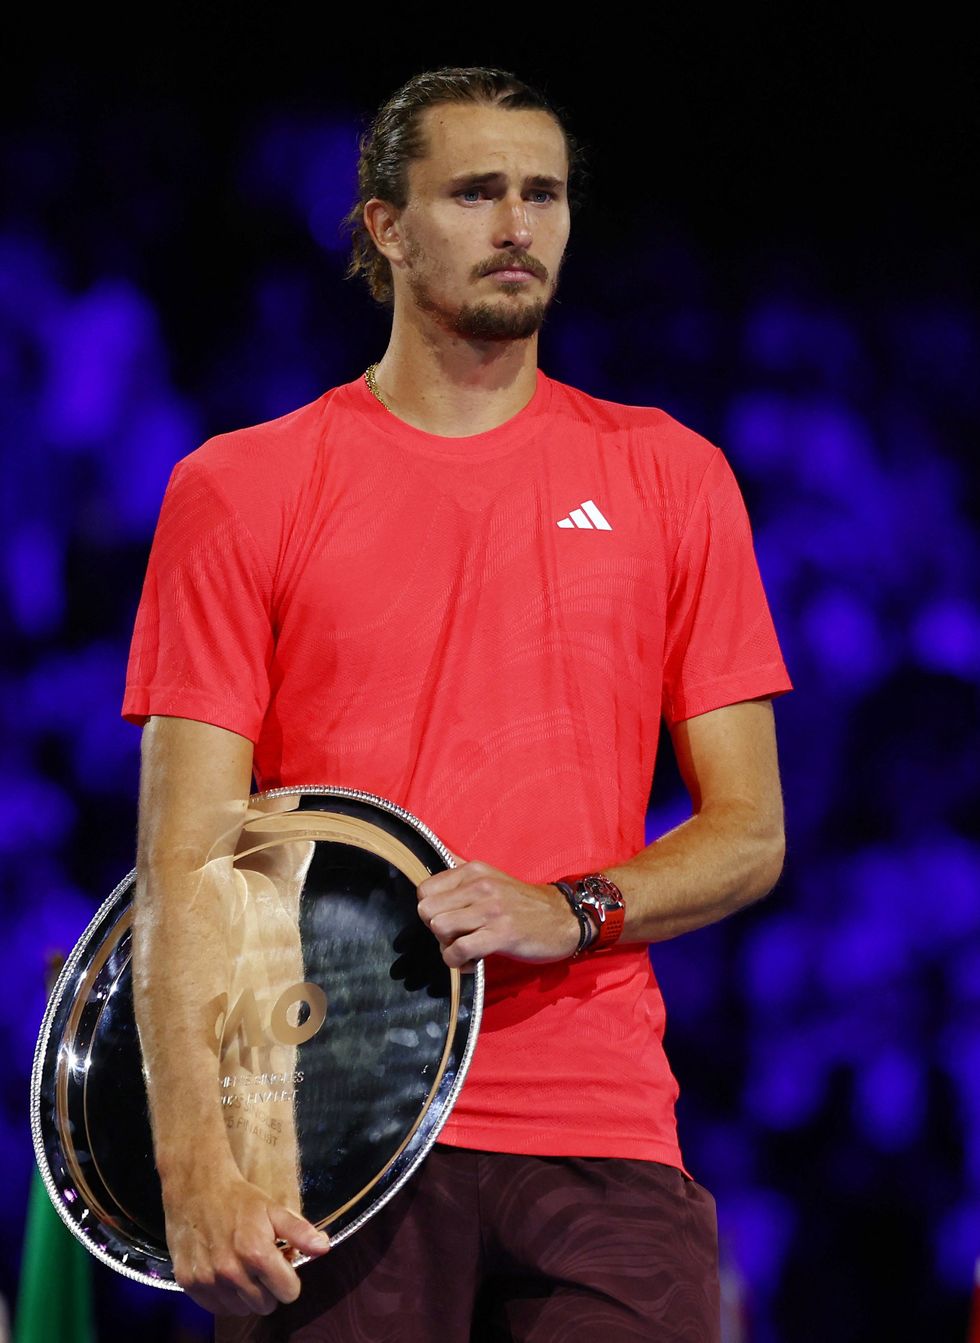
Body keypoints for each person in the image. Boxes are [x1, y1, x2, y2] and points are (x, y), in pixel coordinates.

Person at [123, 66, 792, 1343]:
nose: (516, 224)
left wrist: (571, 906)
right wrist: (197, 1162)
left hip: (600, 1131)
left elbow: (748, 828)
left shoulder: (669, 475)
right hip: (326, 1135)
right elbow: (188, 856)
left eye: (542, 193)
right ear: (383, 222)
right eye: (475, 191)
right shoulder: (241, 485)